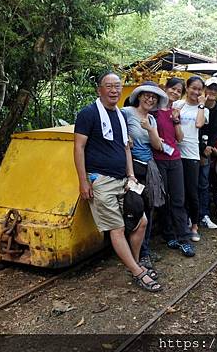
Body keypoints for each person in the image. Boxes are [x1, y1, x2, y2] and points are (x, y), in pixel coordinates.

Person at [74, 72, 161, 292]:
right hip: (101, 179)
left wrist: (131, 175)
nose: (114, 90)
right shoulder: (88, 114)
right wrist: (83, 181)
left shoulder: (120, 116)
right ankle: (138, 271)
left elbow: (125, 147)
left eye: (117, 86)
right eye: (109, 86)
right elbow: (79, 148)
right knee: (117, 227)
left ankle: (133, 263)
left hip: (123, 178)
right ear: (99, 89)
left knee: (141, 221)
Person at [122, 82, 167, 273]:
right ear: (139, 97)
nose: (150, 99)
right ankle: (134, 254)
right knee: (135, 210)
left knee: (148, 210)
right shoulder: (126, 113)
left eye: (154, 97)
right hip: (131, 168)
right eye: (147, 96)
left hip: (148, 169)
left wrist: (150, 128)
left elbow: (158, 146)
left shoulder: (152, 120)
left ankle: (144, 251)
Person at [153, 77, 195, 257]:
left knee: (178, 199)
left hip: (175, 159)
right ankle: (168, 234)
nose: (175, 92)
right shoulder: (153, 111)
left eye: (179, 91)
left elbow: (179, 138)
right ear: (165, 88)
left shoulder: (174, 112)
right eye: (173, 89)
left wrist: (177, 121)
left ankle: (184, 239)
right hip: (158, 159)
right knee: (163, 199)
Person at [174, 76, 209, 242]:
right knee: (177, 194)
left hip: (191, 154)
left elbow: (199, 124)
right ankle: (180, 225)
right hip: (175, 153)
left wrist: (201, 104)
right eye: (193, 88)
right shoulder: (177, 105)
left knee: (192, 192)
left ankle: (194, 225)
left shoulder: (203, 109)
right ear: (186, 88)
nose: (196, 92)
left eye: (199, 89)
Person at [198, 77, 217, 230]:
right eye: (210, 88)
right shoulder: (196, 105)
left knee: (203, 182)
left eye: (216, 89)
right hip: (191, 147)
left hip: (206, 150)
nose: (212, 92)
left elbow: (216, 132)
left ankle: (204, 214)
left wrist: (208, 148)